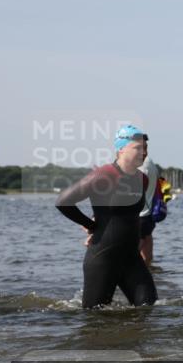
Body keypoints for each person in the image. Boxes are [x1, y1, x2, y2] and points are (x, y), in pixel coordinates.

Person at [56, 125, 157, 309]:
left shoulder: (142, 178)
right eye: (138, 147)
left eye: (145, 148)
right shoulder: (105, 174)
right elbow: (63, 201)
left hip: (131, 259)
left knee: (148, 309)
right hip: (103, 259)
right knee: (95, 319)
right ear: (121, 149)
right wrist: (92, 225)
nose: (143, 152)